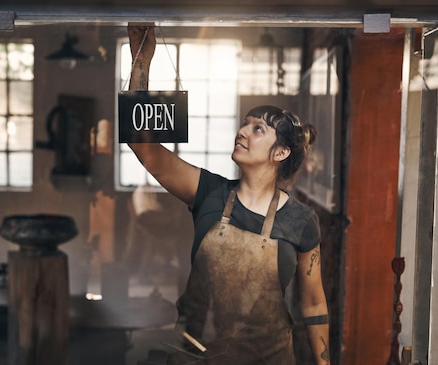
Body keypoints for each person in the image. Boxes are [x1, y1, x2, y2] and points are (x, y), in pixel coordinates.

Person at [127, 23, 330, 365]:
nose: (243, 131)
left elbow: (313, 303)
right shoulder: (208, 192)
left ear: (280, 153)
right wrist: (141, 61)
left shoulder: (301, 220)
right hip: (197, 357)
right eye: (246, 123)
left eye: (258, 128)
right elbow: (142, 145)